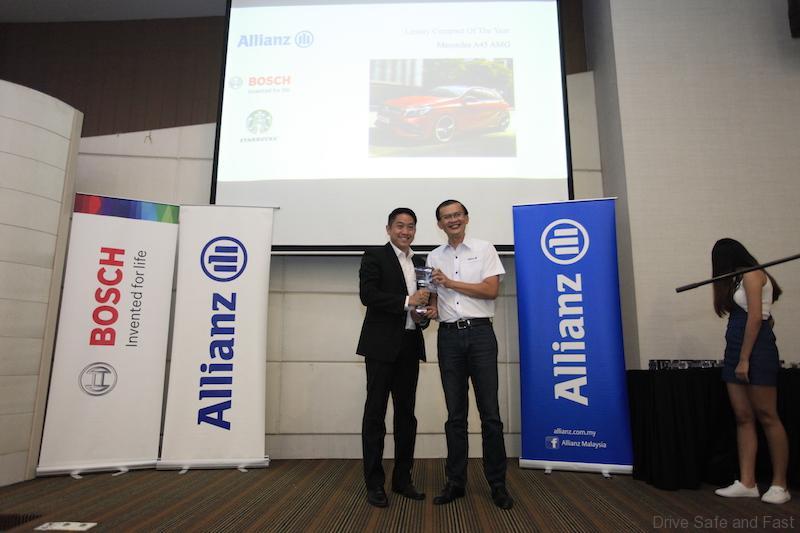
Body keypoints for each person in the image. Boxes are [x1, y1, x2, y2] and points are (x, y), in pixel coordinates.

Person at [426, 199, 513, 510]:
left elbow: (491, 290)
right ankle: (455, 482)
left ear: (466, 218)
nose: (452, 220)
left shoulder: (485, 248)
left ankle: (498, 484)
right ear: (439, 224)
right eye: (446, 217)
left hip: (480, 335)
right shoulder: (433, 256)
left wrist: (450, 283)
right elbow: (434, 300)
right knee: (455, 416)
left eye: (457, 215)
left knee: (490, 414)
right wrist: (430, 309)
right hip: (448, 337)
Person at [356, 207, 436, 508]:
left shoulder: (421, 263)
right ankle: (374, 484)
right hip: (380, 346)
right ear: (389, 229)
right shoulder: (374, 256)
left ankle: (403, 480)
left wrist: (424, 314)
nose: (405, 231)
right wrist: (407, 301)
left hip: (410, 345)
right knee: (375, 416)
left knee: (406, 416)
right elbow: (368, 295)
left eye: (410, 226)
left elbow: (421, 305)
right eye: (400, 226)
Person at [711, 238, 790, 504]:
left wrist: (745, 359)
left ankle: (780, 485)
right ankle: (747, 482)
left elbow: (757, 318)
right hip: (735, 345)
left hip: (755, 351)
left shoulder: (752, 274)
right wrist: (738, 356)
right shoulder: (737, 279)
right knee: (743, 416)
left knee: (767, 415)